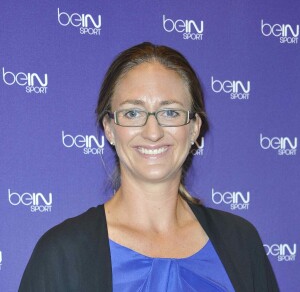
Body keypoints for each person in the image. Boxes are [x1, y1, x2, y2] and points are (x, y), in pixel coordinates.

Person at [19, 42, 279, 292]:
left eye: (170, 113)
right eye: (133, 113)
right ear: (109, 128)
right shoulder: (62, 254)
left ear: (194, 128)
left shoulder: (241, 242)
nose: (152, 132)